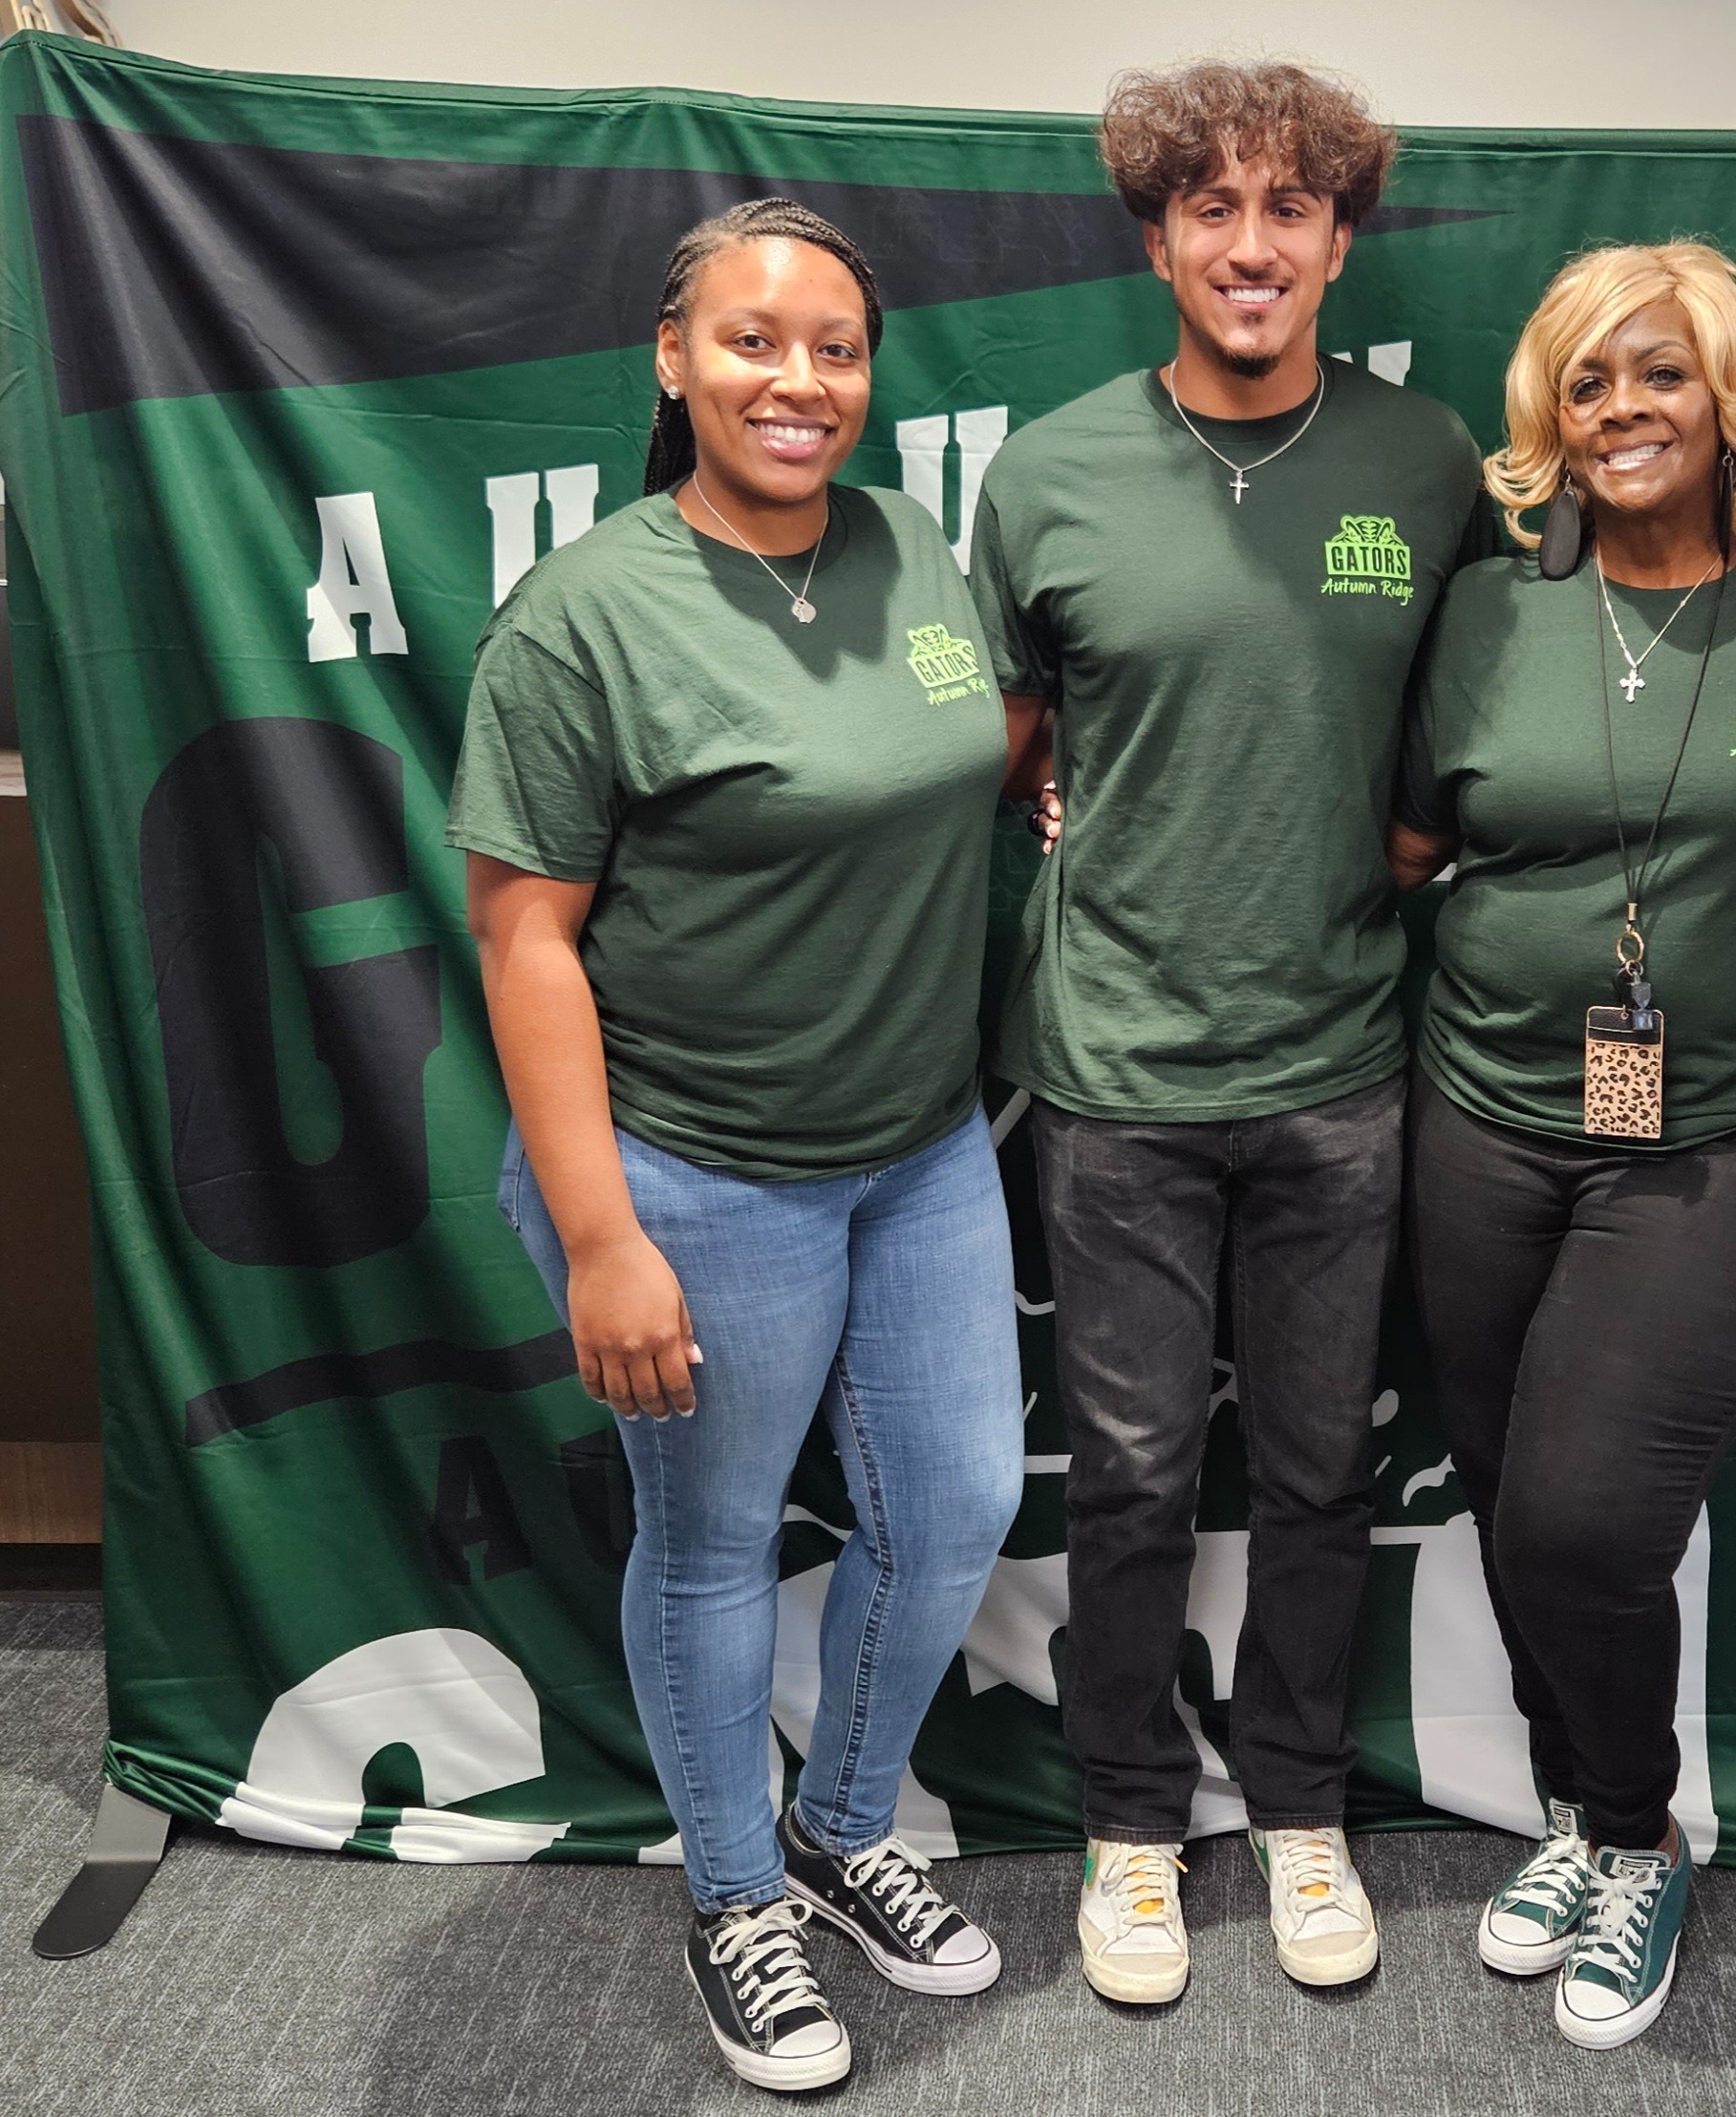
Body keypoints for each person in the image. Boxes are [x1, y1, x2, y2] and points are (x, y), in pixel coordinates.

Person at [450, 200, 1039, 2095]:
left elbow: (967, 756)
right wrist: (605, 1233)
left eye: (836, 348)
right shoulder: (583, 617)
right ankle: (729, 1896)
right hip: (695, 1167)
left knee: (951, 1508)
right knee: (708, 1547)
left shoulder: (905, 550)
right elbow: (524, 937)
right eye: (755, 341)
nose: (799, 380)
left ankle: (841, 1820)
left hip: (920, 1147)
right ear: (673, 358)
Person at [969, 58, 1492, 2006]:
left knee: (1312, 1475)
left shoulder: (1427, 463)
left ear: (1340, 240)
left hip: (1340, 1069)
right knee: (1118, 1480)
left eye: (1289, 210)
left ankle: (1294, 1807)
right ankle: (1125, 1818)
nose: (1250, 246)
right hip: (1113, 1079)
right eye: (1212, 210)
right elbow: (1009, 753)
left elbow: (1470, 735)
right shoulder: (1047, 471)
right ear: (1156, 239)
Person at [1387, 242, 1736, 2050]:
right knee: (1508, 1493)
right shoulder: (1485, 614)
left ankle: (1643, 1835)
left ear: (1728, 398)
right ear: (1544, 422)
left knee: (1584, 1518)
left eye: (1659, 375)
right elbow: (1412, 847)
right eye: (1586, 384)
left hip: (1718, 1136)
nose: (1623, 412)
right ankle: (1585, 1811)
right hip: (1484, 1114)